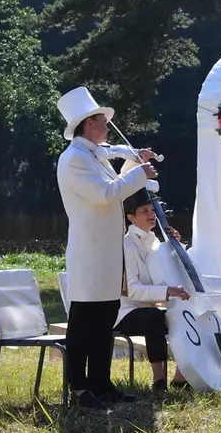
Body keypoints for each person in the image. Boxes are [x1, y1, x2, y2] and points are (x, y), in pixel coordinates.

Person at [56, 87, 157, 409]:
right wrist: (139, 174)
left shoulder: (92, 155)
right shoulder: (74, 159)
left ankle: (101, 383)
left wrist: (134, 163)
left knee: (104, 322)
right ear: (89, 124)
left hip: (107, 253)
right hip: (90, 253)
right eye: (104, 121)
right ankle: (79, 389)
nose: (108, 127)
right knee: (83, 322)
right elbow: (104, 194)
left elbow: (116, 186)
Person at [119, 188, 191, 391]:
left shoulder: (155, 240)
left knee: (185, 314)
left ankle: (181, 376)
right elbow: (132, 290)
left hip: (150, 307)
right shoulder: (127, 244)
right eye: (144, 211)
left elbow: (167, 274)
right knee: (154, 318)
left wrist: (175, 246)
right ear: (131, 217)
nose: (151, 214)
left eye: (152, 210)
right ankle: (159, 380)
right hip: (126, 310)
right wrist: (168, 291)